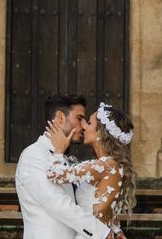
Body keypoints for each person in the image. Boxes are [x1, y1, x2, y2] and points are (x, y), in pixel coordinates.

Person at [15, 93, 114, 239]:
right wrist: (102, 232)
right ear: (60, 118)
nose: (83, 125)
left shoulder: (66, 158)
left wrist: (113, 228)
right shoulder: (33, 155)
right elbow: (58, 204)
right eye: (79, 118)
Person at [46, 101, 135, 236]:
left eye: (88, 123)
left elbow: (54, 174)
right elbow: (109, 207)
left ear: (101, 133)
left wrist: (59, 150)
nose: (83, 126)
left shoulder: (105, 165)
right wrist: (116, 230)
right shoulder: (109, 164)